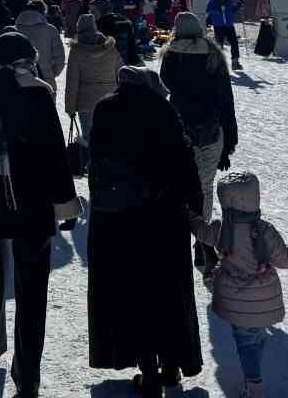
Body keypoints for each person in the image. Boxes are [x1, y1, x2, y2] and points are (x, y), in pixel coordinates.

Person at [0, 31, 78, 398]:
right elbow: (54, 155)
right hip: (30, 203)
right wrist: (65, 203)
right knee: (31, 294)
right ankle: (27, 374)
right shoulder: (38, 92)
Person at [87, 66, 204, 397]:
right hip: (164, 220)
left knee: (132, 294)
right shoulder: (162, 109)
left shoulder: (105, 109)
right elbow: (185, 162)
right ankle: (171, 367)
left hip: (119, 222)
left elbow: (95, 163)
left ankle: (148, 371)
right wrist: (195, 209)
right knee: (167, 293)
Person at [193, 171, 288, 398]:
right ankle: (252, 378)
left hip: (235, 301)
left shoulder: (221, 229)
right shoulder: (265, 231)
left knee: (246, 343)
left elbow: (202, 232)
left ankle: (254, 385)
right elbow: (286, 259)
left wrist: (189, 216)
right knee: (253, 339)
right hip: (263, 300)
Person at [160, 12, 238, 279]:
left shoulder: (170, 55)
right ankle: (202, 244)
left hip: (180, 131)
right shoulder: (214, 55)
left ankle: (180, 236)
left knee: (179, 187)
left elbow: (165, 87)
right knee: (203, 187)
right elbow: (226, 101)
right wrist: (229, 142)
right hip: (211, 131)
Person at [63, 14, 120, 162]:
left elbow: (72, 81)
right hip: (110, 98)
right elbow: (120, 72)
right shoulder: (111, 47)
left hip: (86, 102)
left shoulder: (76, 50)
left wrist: (70, 107)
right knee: (109, 135)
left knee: (90, 138)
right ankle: (110, 166)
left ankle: (93, 166)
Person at [12, 0, 66, 96]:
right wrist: (52, 73)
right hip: (46, 79)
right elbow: (60, 57)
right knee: (47, 109)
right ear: (42, 12)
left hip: (18, 79)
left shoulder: (13, 30)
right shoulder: (50, 30)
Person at [205, 0, 240, 68]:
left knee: (234, 43)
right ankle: (219, 63)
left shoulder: (229, 1)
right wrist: (217, 11)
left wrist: (238, 6)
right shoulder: (214, 0)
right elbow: (208, 9)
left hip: (229, 25)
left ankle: (235, 62)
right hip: (219, 25)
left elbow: (232, 12)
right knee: (219, 45)